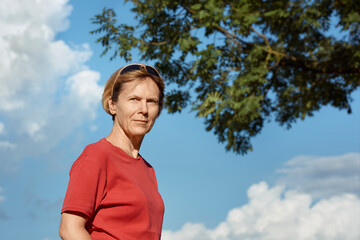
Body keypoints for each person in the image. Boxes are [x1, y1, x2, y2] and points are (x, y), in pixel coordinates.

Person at [59, 63, 165, 240]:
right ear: (113, 105)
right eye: (134, 99)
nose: (144, 110)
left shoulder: (148, 170)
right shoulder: (97, 156)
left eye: (151, 101)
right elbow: (69, 229)